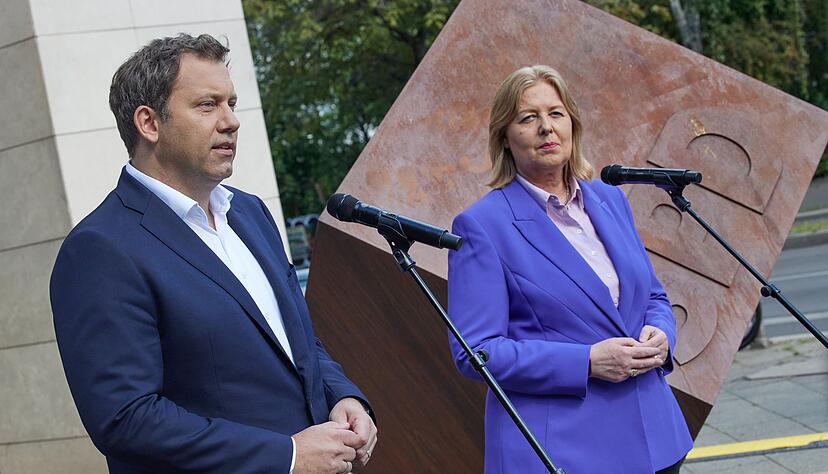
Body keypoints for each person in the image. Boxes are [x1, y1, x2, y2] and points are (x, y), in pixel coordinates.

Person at [50, 34, 377, 474]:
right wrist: (287, 456)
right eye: (207, 105)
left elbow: (294, 340)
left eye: (232, 103)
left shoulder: (250, 212)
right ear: (149, 123)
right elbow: (125, 417)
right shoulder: (100, 249)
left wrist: (344, 395)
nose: (231, 121)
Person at [447, 65, 693, 473]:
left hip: (656, 438)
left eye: (556, 113)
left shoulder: (609, 200)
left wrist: (662, 333)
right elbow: (476, 352)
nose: (546, 128)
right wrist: (586, 362)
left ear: (572, 125)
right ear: (505, 139)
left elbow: (651, 296)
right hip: (566, 450)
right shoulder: (482, 226)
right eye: (528, 118)